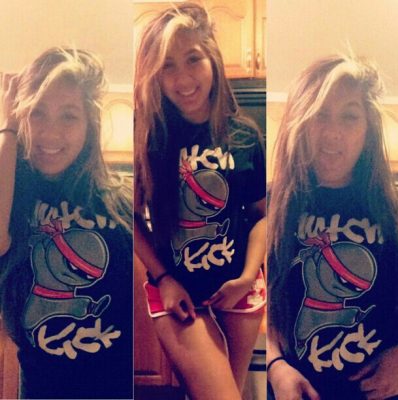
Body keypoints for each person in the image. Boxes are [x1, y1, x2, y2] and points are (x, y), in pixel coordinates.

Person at [134, 2, 266, 399]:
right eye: (167, 66)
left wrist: (247, 277)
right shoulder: (149, 137)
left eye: (193, 58)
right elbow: (131, 217)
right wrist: (164, 278)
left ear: (213, 59)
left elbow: (261, 216)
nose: (183, 78)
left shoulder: (245, 135)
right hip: (176, 290)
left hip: (238, 289)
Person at [0, 47, 133, 399]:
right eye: (37, 113)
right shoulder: (12, 198)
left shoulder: (119, 201)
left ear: (91, 125)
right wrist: (8, 127)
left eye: (69, 116)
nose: (50, 133)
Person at [267, 54, 398, 400]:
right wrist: (275, 366)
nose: (332, 133)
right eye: (320, 115)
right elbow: (261, 302)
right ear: (301, 121)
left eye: (349, 117)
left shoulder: (393, 209)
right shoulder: (273, 204)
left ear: (368, 129)